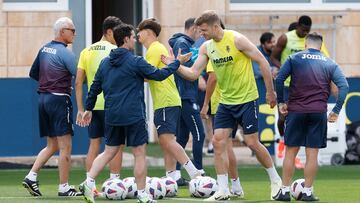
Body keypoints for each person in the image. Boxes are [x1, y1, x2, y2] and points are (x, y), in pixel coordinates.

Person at [162, 10, 282, 201]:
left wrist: (270, 92)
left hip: (247, 99)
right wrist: (174, 65)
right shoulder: (206, 47)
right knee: (218, 142)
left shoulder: (237, 39)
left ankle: (276, 181)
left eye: (204, 30)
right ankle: (223, 189)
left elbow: (262, 62)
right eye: (200, 31)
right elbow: (193, 73)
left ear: (215, 26)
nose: (201, 34)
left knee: (252, 142)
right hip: (226, 102)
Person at [78, 23, 191, 203]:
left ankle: (88, 181)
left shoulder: (105, 63)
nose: (135, 39)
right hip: (133, 115)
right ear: (125, 39)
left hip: (112, 115)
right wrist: (177, 63)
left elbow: (94, 88)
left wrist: (88, 109)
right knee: (139, 153)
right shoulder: (136, 61)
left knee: (109, 151)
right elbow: (159, 75)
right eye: (132, 36)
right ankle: (142, 194)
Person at [273, 32, 349, 201]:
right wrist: (336, 110)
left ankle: (284, 191)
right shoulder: (330, 63)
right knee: (312, 154)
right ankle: (307, 192)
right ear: (321, 46)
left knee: (291, 152)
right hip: (318, 113)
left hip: (296, 111)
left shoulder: (294, 58)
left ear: (305, 45)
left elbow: (279, 80)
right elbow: (344, 86)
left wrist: (281, 102)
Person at [136, 18, 202, 183]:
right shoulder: (156, 48)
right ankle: (172, 178)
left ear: (149, 33)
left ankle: (193, 171)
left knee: (167, 140)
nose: (137, 34)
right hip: (168, 101)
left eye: (140, 31)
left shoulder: (154, 49)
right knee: (167, 141)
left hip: (166, 101)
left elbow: (147, 74)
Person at [23, 17, 82, 197]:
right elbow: (80, 78)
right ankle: (64, 187)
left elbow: (33, 73)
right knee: (66, 146)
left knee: (53, 144)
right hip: (59, 100)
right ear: (62, 31)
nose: (74, 33)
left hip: (43, 99)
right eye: (72, 30)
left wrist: (49, 82)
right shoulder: (66, 54)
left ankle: (31, 176)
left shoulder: (43, 49)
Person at [75, 16, 123, 188]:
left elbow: (79, 82)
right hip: (113, 105)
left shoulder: (86, 51)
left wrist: (81, 109)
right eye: (116, 33)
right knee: (116, 145)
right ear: (109, 31)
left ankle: (90, 184)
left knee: (94, 144)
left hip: (92, 105)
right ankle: (115, 182)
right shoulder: (116, 50)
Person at [270, 15, 330, 138]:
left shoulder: (311, 40)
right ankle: (282, 139)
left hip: (305, 85)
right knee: (282, 117)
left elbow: (324, 59)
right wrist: (284, 69)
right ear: (297, 26)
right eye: (303, 29)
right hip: (287, 84)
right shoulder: (285, 38)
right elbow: (273, 57)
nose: (305, 32)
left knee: (301, 117)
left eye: (308, 30)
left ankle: (297, 143)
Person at [168, 17, 206, 186]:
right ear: (194, 28)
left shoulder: (185, 43)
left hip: (186, 95)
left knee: (182, 137)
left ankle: (176, 174)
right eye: (201, 31)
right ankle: (198, 172)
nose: (202, 35)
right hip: (185, 96)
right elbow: (183, 68)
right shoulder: (182, 43)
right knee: (200, 134)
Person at [200, 62, 244, 198]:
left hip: (222, 104)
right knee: (226, 145)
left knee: (221, 145)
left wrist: (205, 103)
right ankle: (235, 187)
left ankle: (224, 188)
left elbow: (213, 78)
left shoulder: (214, 52)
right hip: (229, 102)